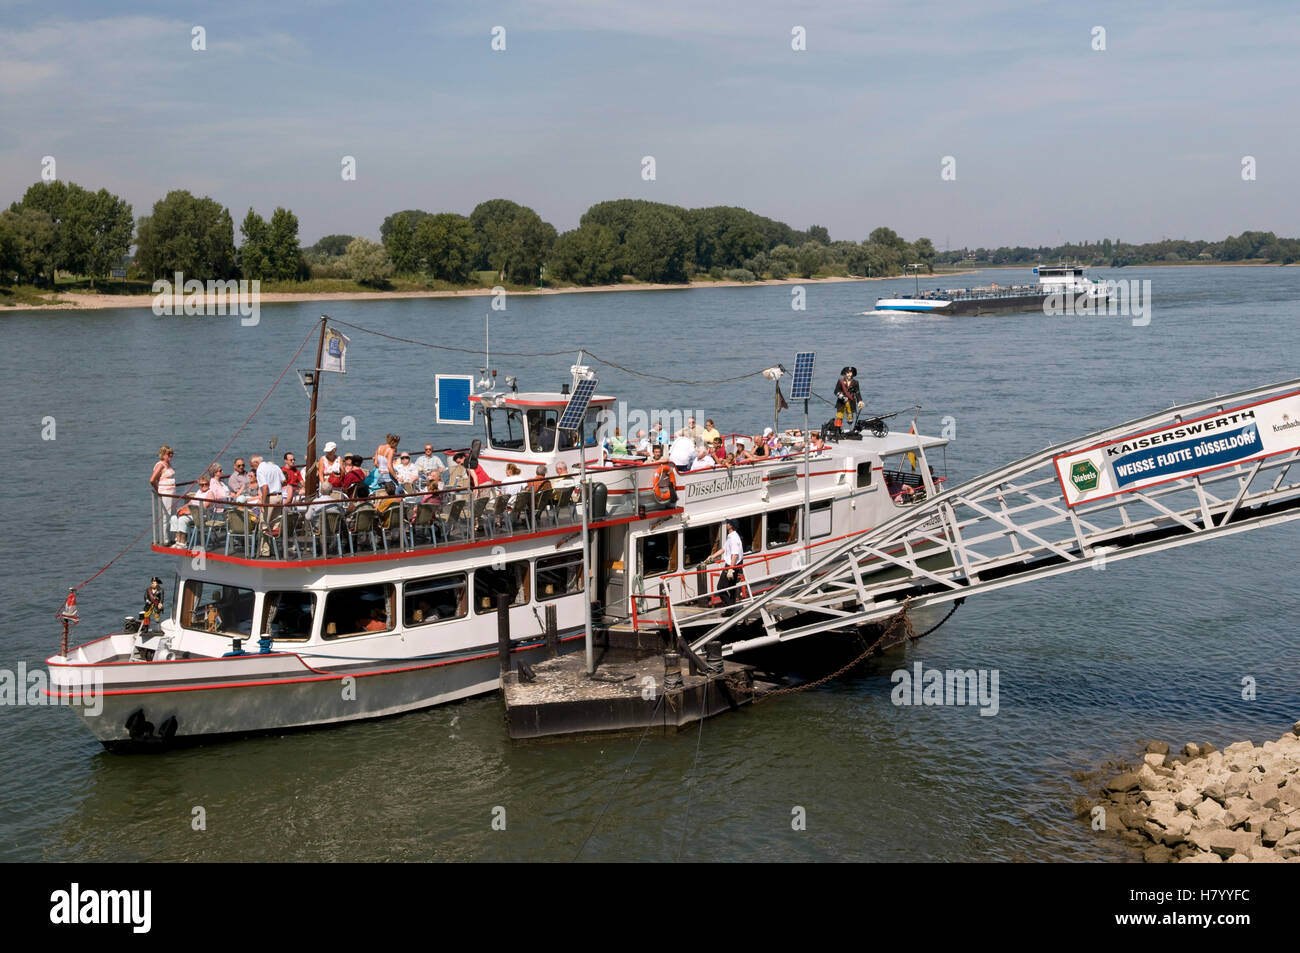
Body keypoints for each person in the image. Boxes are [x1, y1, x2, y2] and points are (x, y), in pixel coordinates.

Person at [710, 520, 745, 606]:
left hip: (731, 566)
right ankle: (731, 608)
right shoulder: (731, 536)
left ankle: (730, 607)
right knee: (731, 588)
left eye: (728, 523)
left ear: (731, 526)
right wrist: (712, 556)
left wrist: (730, 569)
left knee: (720, 587)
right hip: (733, 565)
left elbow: (735, 555)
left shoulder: (733, 538)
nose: (726, 524)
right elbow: (724, 549)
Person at [149, 447, 177, 537]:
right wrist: (158, 490)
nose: (171, 455)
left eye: (172, 453)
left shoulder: (169, 464)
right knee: (166, 516)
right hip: (165, 493)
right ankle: (165, 538)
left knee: (173, 515)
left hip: (172, 492)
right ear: (163, 454)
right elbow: (152, 480)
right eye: (169, 454)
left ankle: (172, 536)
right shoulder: (160, 465)